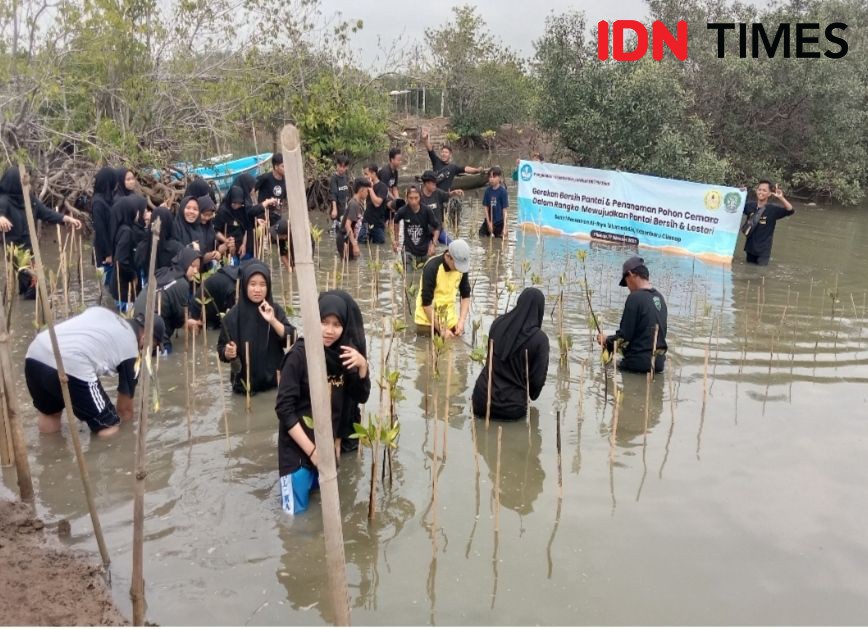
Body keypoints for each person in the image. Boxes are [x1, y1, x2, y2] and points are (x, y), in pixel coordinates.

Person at [275, 290, 370, 515]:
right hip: (297, 455)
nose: (329, 330)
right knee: (293, 521)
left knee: (324, 514)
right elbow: (284, 409)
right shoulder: (299, 355)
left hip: (326, 453)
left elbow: (360, 397)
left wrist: (363, 366)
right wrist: (313, 452)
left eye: (336, 324)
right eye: (323, 322)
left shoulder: (345, 355)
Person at [24, 307, 165, 438]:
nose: (147, 350)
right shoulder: (131, 351)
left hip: (35, 354)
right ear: (145, 338)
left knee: (50, 413)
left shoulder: (103, 313)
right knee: (109, 424)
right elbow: (124, 410)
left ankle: (50, 460)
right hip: (70, 363)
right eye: (153, 346)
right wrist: (130, 434)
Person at [0, 165, 82, 298]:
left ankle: (27, 307)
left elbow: (46, 213)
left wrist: (66, 218)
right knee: (34, 284)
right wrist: (1, 218)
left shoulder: (29, 199)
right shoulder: (4, 200)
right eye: (24, 178)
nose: (28, 181)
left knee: (32, 285)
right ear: (15, 181)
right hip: (15, 250)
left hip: (30, 247)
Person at [217, 261, 294, 395]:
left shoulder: (275, 310)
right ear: (245, 285)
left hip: (274, 386)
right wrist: (227, 352)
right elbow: (221, 350)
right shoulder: (232, 316)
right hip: (243, 387)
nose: (257, 290)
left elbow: (292, 339)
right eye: (252, 284)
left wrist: (273, 321)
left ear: (268, 287)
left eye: (262, 285)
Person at [471, 288, 549, 420]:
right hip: (511, 409)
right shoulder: (540, 340)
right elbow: (535, 389)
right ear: (539, 310)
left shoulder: (497, 324)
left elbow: (491, 360)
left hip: (481, 400)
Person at [598, 256, 668, 373]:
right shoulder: (660, 297)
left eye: (626, 282)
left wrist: (606, 341)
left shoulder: (634, 298)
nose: (628, 288)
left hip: (637, 364)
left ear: (631, 274)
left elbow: (624, 338)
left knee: (603, 371)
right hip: (659, 364)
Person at [133, 247, 201, 350]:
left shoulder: (164, 271)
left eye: (198, 268)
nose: (196, 271)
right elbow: (179, 318)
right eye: (193, 266)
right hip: (152, 327)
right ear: (185, 263)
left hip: (136, 323)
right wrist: (187, 322)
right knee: (166, 353)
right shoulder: (182, 284)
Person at [414, 238, 471, 337]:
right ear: (449, 257)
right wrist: (441, 329)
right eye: (457, 265)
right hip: (427, 323)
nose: (459, 269)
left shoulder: (461, 269)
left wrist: (461, 321)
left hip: (450, 321)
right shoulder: (432, 267)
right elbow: (426, 304)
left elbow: (465, 295)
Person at [741, 179, 794, 266]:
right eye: (759, 189)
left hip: (763, 252)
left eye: (764, 190)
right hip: (749, 249)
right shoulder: (749, 206)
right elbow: (735, 209)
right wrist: (740, 193)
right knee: (748, 270)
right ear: (756, 191)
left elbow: (790, 210)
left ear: (769, 194)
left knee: (760, 274)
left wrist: (781, 197)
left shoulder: (773, 210)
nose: (761, 192)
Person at [108, 195, 148, 309]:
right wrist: (133, 275)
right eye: (142, 209)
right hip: (125, 288)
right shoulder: (127, 232)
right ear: (134, 212)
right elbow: (120, 260)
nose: (145, 211)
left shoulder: (124, 227)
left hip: (121, 285)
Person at [390, 186, 440, 268]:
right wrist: (396, 240)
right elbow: (395, 221)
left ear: (420, 197)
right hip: (408, 251)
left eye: (416, 198)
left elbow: (437, 227)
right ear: (406, 198)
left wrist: (433, 244)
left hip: (425, 252)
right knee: (408, 277)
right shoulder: (402, 211)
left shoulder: (427, 210)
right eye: (411, 198)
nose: (413, 201)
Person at [420, 171, 463, 245]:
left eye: (435, 184)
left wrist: (454, 192)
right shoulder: (419, 197)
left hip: (438, 229)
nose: (435, 186)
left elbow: (447, 195)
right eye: (433, 184)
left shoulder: (437, 193)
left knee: (452, 245)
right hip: (425, 232)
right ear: (426, 184)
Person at [336, 177, 369, 261]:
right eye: (366, 191)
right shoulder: (353, 204)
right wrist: (354, 245)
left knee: (352, 266)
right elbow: (347, 225)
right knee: (347, 266)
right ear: (361, 190)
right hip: (345, 239)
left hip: (350, 239)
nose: (367, 193)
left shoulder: (358, 204)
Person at [90, 167, 116, 271]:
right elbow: (100, 230)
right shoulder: (98, 203)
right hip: (103, 255)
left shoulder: (108, 199)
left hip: (110, 249)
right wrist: (108, 253)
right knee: (105, 285)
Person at [359, 164, 389, 245]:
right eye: (364, 174)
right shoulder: (365, 186)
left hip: (378, 224)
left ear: (373, 174)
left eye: (366, 174)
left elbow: (377, 203)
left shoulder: (383, 187)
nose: (364, 176)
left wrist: (371, 189)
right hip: (366, 222)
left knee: (379, 247)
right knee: (361, 244)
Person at [478, 166, 509, 239]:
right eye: (490, 177)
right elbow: (485, 208)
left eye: (494, 177)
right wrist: (488, 223)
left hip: (499, 222)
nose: (491, 179)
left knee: (500, 241)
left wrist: (505, 227)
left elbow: (505, 210)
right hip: (489, 220)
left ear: (499, 178)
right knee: (481, 235)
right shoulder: (487, 191)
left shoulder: (503, 192)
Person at [328, 154, 350, 233]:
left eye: (344, 167)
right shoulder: (334, 179)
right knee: (335, 234)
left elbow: (347, 196)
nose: (341, 169)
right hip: (336, 212)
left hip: (344, 211)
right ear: (336, 165)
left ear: (347, 167)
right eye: (340, 166)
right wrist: (334, 209)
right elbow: (333, 194)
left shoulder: (346, 178)